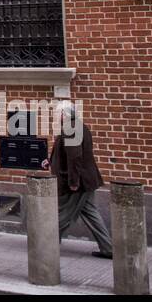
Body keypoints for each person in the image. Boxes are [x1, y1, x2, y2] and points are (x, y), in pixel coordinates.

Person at [41, 102, 114, 259]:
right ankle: (108, 248)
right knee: (91, 214)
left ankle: (46, 245)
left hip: (76, 183)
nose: (57, 117)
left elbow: (75, 157)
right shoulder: (80, 126)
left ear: (64, 115)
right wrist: (51, 160)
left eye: (58, 113)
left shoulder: (71, 128)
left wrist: (73, 182)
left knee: (60, 214)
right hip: (86, 180)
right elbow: (70, 153)